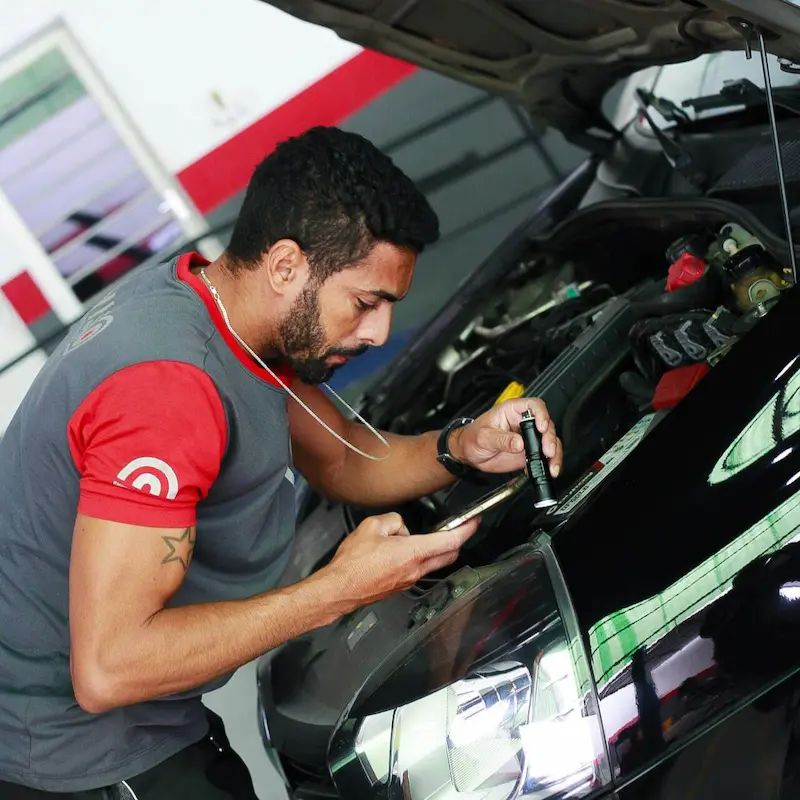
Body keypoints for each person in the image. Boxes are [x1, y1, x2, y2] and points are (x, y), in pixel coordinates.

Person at [0, 126, 562, 798]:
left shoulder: (222, 312)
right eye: (365, 303)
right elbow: (109, 667)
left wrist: (462, 445)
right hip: (71, 757)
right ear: (288, 265)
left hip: (134, 719)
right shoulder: (169, 389)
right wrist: (338, 591)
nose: (378, 331)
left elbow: (347, 462)